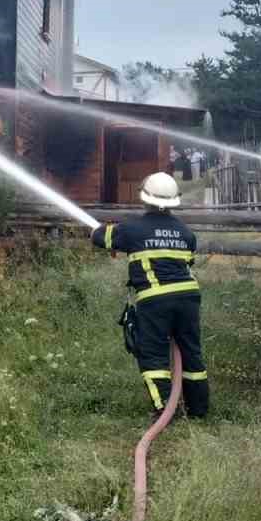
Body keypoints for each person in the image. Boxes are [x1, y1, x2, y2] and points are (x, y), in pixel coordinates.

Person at [91, 171, 209, 418]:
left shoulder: (133, 228)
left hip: (155, 300)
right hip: (189, 297)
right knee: (191, 353)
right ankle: (198, 410)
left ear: (145, 198)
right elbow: (188, 262)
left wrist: (95, 230)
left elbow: (102, 237)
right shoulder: (186, 233)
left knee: (152, 353)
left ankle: (166, 410)